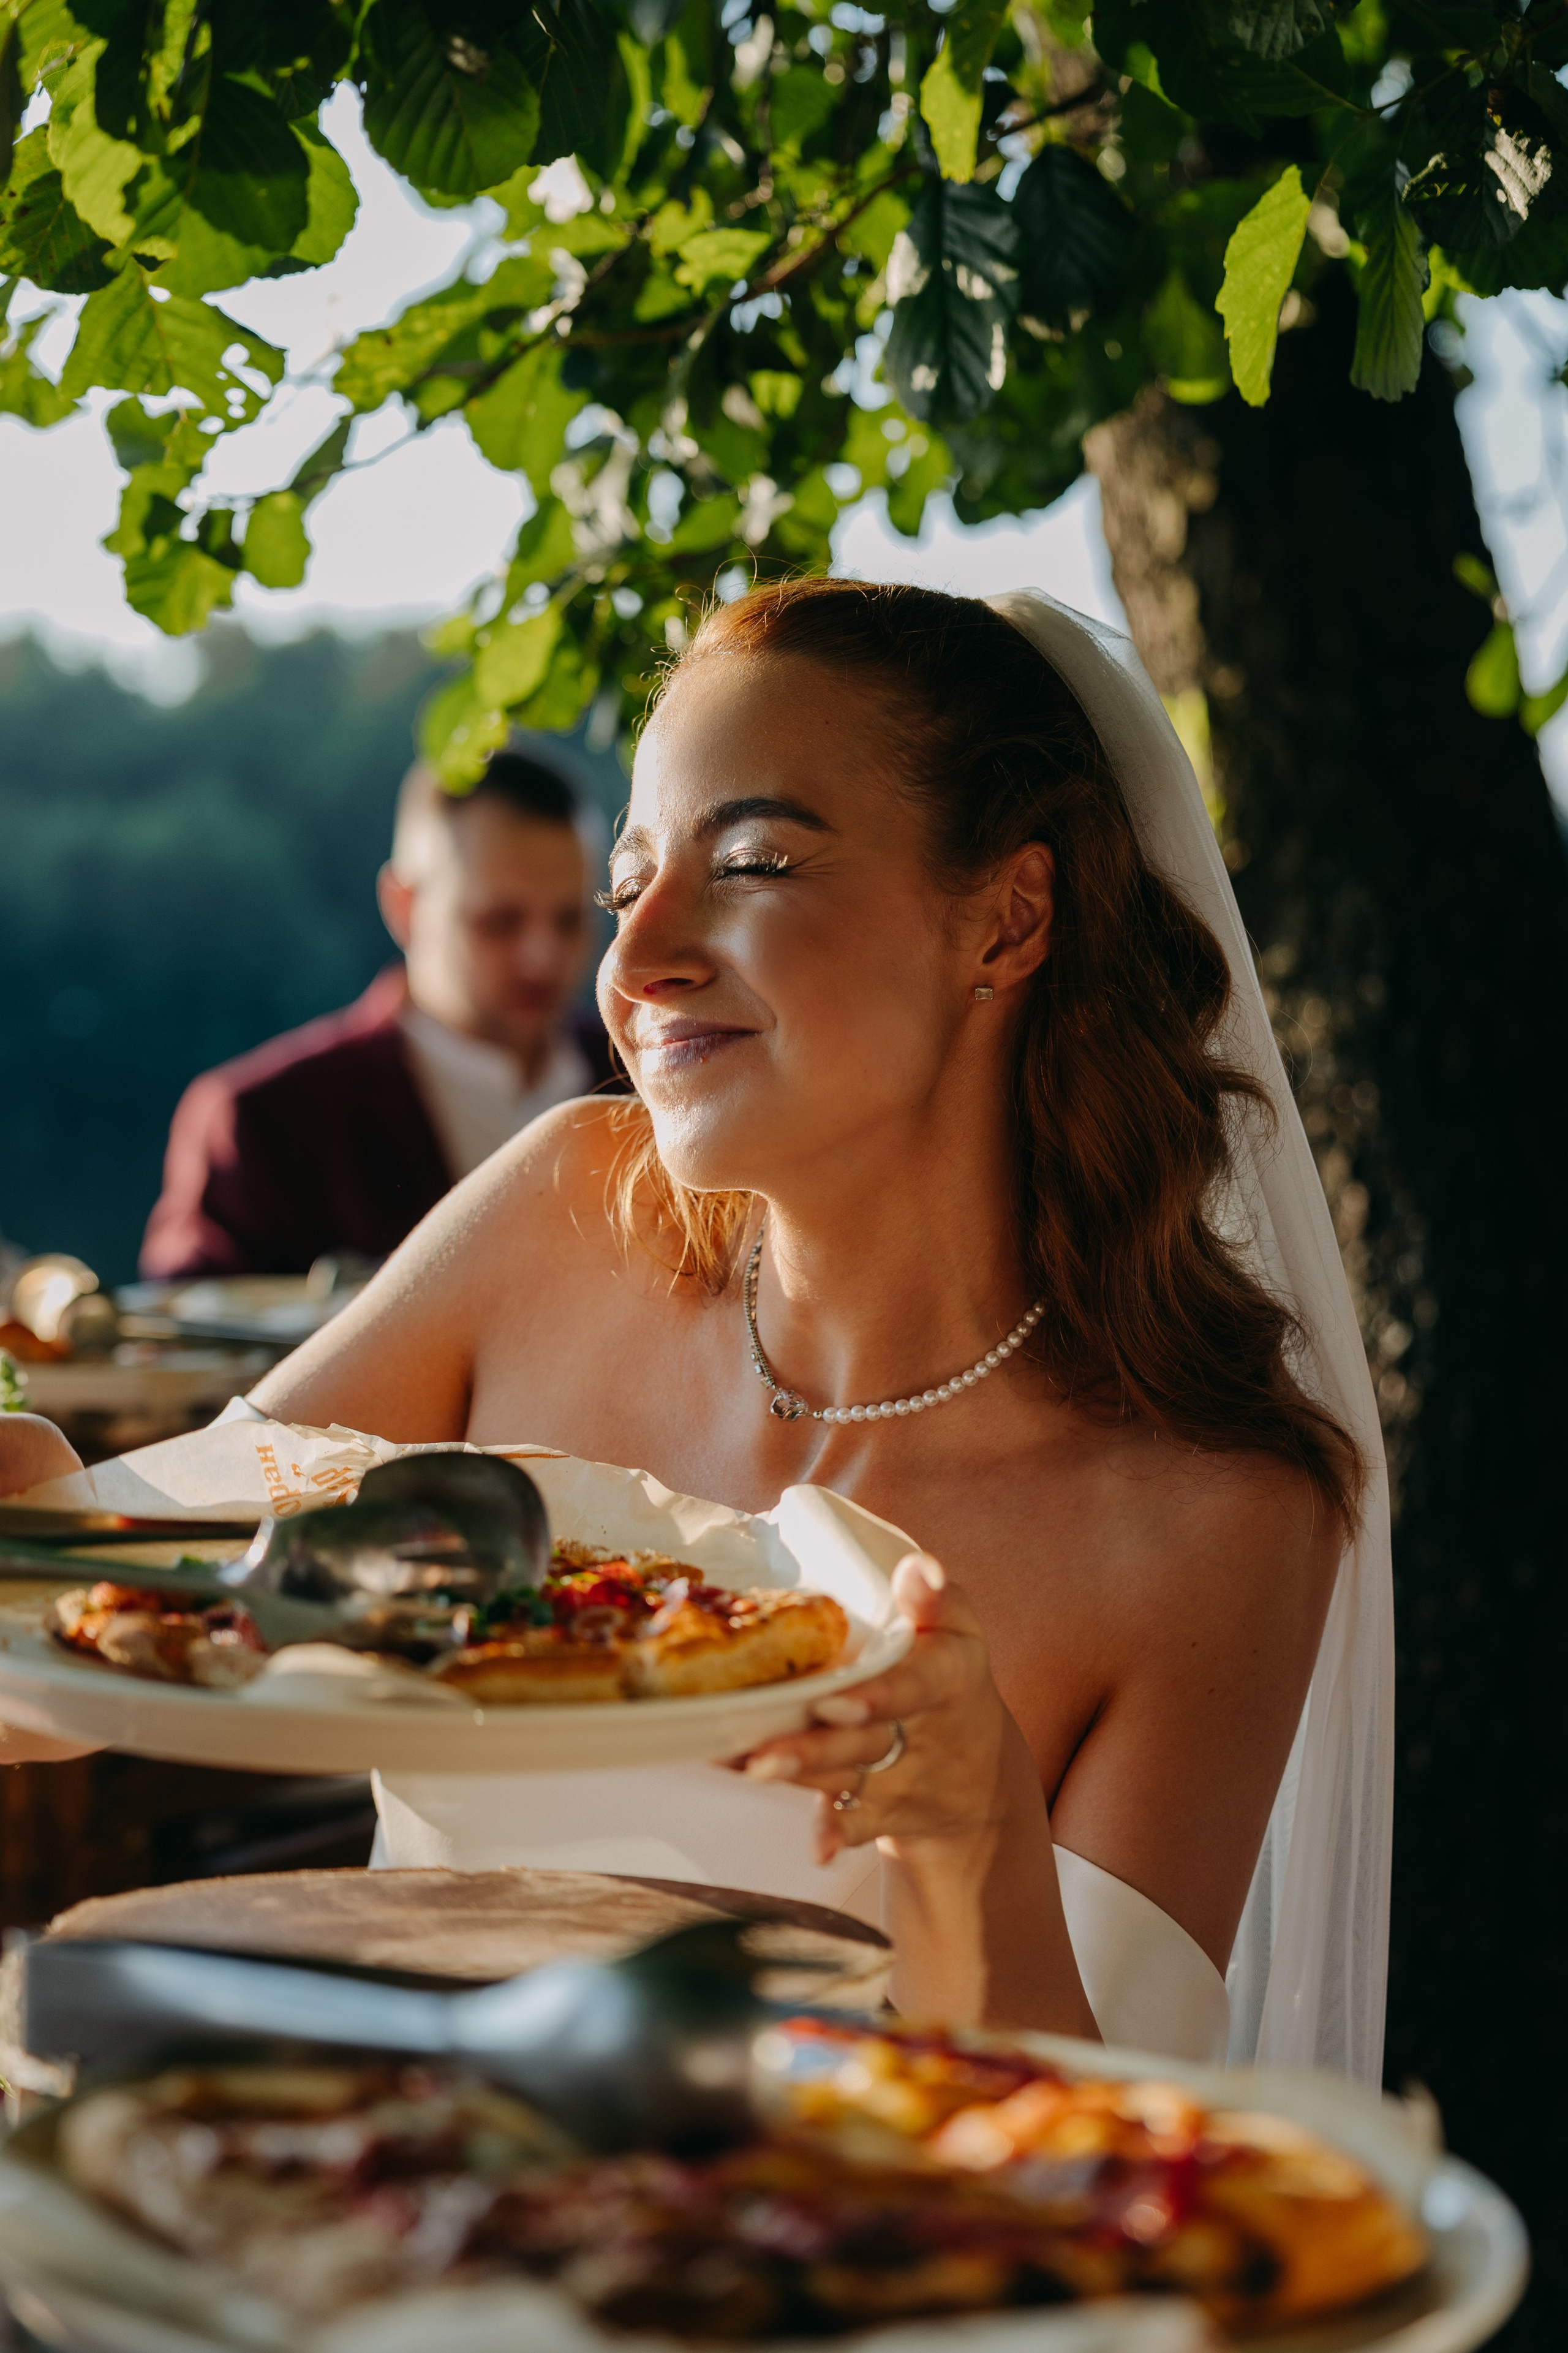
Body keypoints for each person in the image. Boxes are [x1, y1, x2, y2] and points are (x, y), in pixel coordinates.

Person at [4, 584, 1392, 2081]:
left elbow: (1088, 2161)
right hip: (356, 2176)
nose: (635, 958)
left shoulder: (1217, 1518)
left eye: (751, 863)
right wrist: (37, 1505)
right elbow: (91, 1647)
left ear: (1006, 918)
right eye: (628, 884)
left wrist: (969, 1820)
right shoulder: (550, 1214)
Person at [138, 741, 620, 1280]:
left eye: (571, 919)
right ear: (404, 906)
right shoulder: (261, 1122)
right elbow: (182, 1349)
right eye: (499, 921)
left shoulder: (650, 1082)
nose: (543, 958)